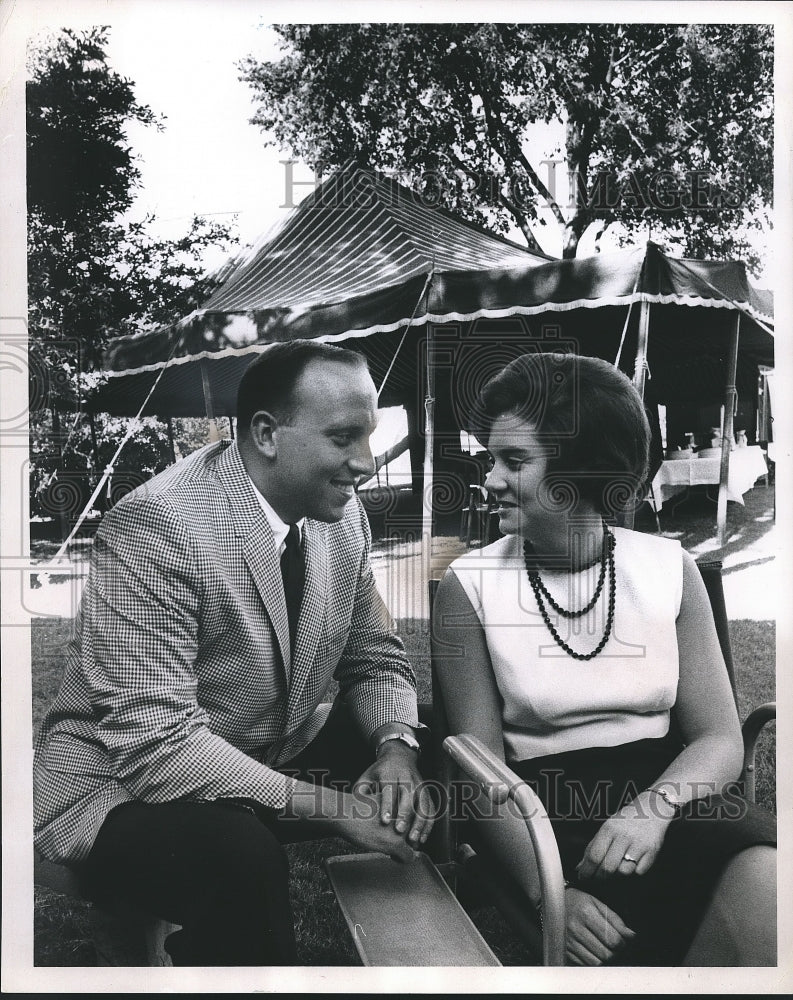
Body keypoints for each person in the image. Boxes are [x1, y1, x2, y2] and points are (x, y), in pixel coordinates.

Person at [34, 340, 434, 966]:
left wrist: (395, 748)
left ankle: (458, 949)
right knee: (237, 852)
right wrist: (332, 808)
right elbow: (157, 742)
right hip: (119, 788)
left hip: (264, 755)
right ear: (267, 434)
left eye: (370, 436)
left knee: (433, 746)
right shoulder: (157, 524)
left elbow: (375, 655)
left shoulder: (341, 516)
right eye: (342, 438)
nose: (366, 461)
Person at [432, 351, 776, 966]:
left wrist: (652, 810)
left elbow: (720, 739)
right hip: (543, 821)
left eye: (515, 461)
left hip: (678, 805)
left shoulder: (671, 571)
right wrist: (551, 895)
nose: (489, 479)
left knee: (768, 892)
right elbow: (478, 776)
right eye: (492, 458)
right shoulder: (470, 585)